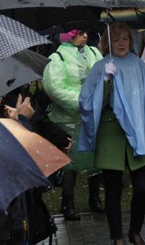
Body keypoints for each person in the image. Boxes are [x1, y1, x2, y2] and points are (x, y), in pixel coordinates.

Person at [78, 22, 145, 245]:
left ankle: (135, 230)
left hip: (137, 132)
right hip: (112, 134)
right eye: (115, 39)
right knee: (113, 190)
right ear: (107, 42)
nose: (121, 43)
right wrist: (105, 81)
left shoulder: (138, 64)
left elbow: (142, 100)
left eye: (125, 38)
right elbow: (87, 104)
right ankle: (117, 237)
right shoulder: (100, 67)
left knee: (143, 187)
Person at [43, 26, 105, 221]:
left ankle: (94, 198)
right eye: (79, 33)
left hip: (93, 117)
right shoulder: (57, 58)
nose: (85, 35)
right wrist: (84, 101)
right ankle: (67, 202)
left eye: (85, 32)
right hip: (70, 119)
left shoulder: (94, 52)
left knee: (95, 161)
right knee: (71, 165)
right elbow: (55, 87)